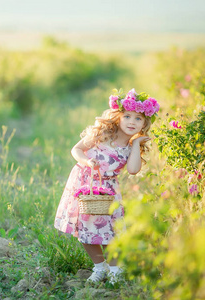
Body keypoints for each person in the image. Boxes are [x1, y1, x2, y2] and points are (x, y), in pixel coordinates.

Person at [54, 88, 159, 283]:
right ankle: (99, 267)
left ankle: (115, 270)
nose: (131, 122)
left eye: (138, 119)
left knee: (110, 232)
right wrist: (87, 162)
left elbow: (134, 169)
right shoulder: (103, 134)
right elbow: (76, 149)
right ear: (118, 116)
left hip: (109, 190)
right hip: (85, 185)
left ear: (144, 124)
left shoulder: (130, 147)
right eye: (127, 116)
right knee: (86, 229)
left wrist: (136, 145)